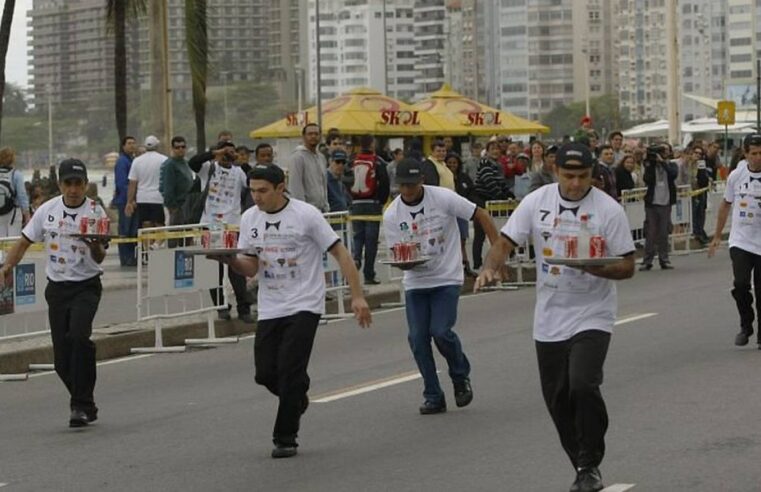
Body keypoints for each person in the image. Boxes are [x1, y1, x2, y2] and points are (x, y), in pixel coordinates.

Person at [475, 143, 635, 492]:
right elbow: (504, 242)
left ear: (592, 174)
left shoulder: (608, 210)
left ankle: (590, 460)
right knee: (557, 398)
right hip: (549, 316)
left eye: (582, 177)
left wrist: (593, 267)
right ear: (555, 171)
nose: (575, 184)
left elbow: (627, 265)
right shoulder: (537, 201)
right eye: (568, 176)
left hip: (593, 312)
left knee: (582, 384)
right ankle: (581, 463)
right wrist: (490, 267)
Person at [209, 164, 371, 458]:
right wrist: (229, 261)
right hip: (271, 305)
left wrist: (356, 296)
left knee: (289, 370)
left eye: (263, 191)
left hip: (305, 303)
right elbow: (251, 265)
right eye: (253, 191)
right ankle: (297, 395)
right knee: (265, 373)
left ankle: (285, 437)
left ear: (280, 187)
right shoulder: (249, 218)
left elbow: (340, 253)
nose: (256, 197)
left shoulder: (306, 215)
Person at [383, 158, 501, 415]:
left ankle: (460, 376)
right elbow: (397, 253)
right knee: (417, 338)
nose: (408, 191)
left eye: (412, 185)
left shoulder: (443, 198)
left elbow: (480, 214)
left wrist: (497, 252)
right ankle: (433, 394)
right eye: (403, 186)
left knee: (440, 331)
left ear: (422, 182)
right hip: (415, 281)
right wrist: (405, 264)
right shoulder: (392, 214)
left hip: (446, 277)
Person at [0, 159, 109, 427]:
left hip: (86, 286)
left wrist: (94, 244)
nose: (73, 189)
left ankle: (80, 406)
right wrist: (6, 267)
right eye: (68, 183)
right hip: (58, 289)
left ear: (86, 185)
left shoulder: (96, 213)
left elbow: (100, 257)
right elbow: (24, 242)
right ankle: (85, 401)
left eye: (78, 184)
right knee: (62, 360)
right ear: (60, 184)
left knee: (79, 337)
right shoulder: (47, 210)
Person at [189, 141, 253, 323]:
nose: (228, 156)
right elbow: (192, 163)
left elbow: (253, 179)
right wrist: (214, 153)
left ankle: (244, 308)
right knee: (214, 270)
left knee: (236, 269)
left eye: (231, 153)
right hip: (211, 225)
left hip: (233, 225)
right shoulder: (208, 168)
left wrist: (240, 161)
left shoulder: (238, 171)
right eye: (225, 153)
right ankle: (221, 307)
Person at [709, 134, 761, 347]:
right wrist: (717, 235)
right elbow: (725, 205)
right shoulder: (736, 176)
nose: (758, 157)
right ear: (745, 154)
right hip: (741, 240)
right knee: (740, 285)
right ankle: (746, 324)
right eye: (754, 153)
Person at [349, 135, 390, 285]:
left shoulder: (352, 160)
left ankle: (356, 258)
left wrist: (351, 198)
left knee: (358, 236)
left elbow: (347, 179)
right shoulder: (378, 161)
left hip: (356, 204)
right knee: (371, 241)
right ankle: (369, 274)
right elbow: (385, 182)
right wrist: (381, 201)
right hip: (373, 204)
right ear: (372, 144)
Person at [473, 141, 513, 270]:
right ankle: (477, 263)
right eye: (493, 149)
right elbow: (488, 181)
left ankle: (504, 258)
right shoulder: (485, 163)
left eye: (497, 149)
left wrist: (509, 194)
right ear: (488, 151)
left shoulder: (498, 165)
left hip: (494, 201)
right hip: (482, 200)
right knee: (480, 233)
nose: (495, 151)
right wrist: (500, 196)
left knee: (500, 230)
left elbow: (501, 183)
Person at [640, 144, 678, 271]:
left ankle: (664, 259)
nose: (662, 153)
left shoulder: (672, 165)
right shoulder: (650, 165)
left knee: (663, 233)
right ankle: (647, 261)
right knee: (650, 233)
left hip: (665, 203)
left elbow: (673, 174)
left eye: (664, 151)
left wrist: (663, 163)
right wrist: (650, 163)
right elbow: (647, 179)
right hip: (652, 204)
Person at [446, 153, 478, 277]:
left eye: (454, 163)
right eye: (450, 163)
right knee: (452, 242)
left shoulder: (463, 177)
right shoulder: (444, 177)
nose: (452, 165)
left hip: (461, 213)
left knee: (462, 240)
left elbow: (471, 191)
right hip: (449, 213)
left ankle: (465, 265)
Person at [125, 135, 168, 229]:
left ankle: (147, 243)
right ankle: (157, 244)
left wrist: (129, 201)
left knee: (145, 225)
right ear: (157, 146)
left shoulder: (137, 161)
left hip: (142, 198)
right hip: (158, 198)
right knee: (159, 224)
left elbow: (132, 184)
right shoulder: (164, 160)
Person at [288, 123, 329, 212]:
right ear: (303, 136)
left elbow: (323, 184)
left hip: (322, 211)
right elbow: (295, 187)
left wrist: (326, 205)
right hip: (305, 211)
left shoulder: (321, 158)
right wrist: (302, 210)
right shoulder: (297, 157)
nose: (313, 136)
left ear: (320, 136)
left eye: (316, 134)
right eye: (310, 134)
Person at [112, 136, 137, 266]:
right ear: (123, 146)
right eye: (129, 143)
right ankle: (126, 258)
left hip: (130, 200)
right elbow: (122, 183)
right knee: (125, 229)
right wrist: (130, 199)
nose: (132, 145)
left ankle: (131, 257)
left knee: (132, 230)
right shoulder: (122, 162)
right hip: (124, 201)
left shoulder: (132, 160)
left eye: (133, 143)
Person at [159, 136, 194, 226]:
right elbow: (167, 188)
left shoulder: (185, 162)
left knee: (188, 235)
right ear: (173, 149)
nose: (180, 149)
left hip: (188, 205)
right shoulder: (170, 164)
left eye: (183, 147)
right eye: (177, 147)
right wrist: (172, 207)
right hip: (177, 206)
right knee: (176, 235)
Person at [0, 146, 30, 236]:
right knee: (12, 242)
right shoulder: (16, 174)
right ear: (13, 159)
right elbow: (22, 196)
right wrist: (27, 214)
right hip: (13, 213)